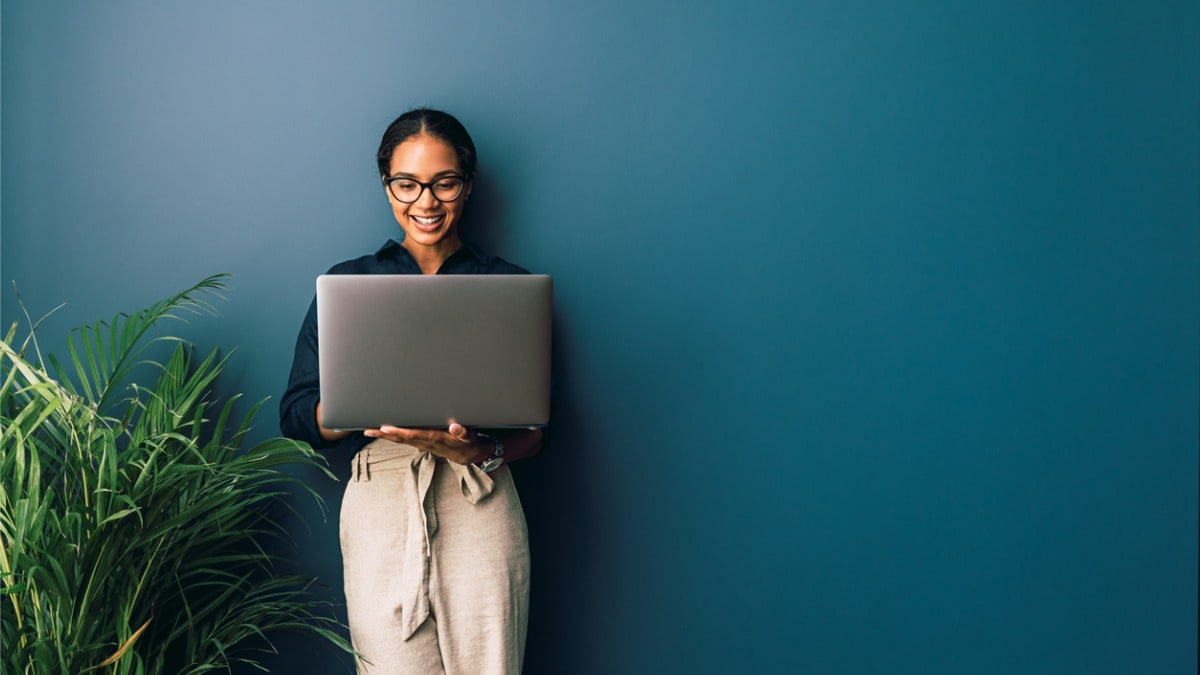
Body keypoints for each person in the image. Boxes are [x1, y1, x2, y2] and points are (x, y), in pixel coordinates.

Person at [280, 108, 543, 674]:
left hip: (480, 493)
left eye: (444, 182)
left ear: (467, 186)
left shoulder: (508, 288)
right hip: (380, 498)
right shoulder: (348, 284)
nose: (426, 201)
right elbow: (299, 416)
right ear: (387, 185)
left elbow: (534, 434)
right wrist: (361, 404)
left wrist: (479, 450)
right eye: (408, 184)